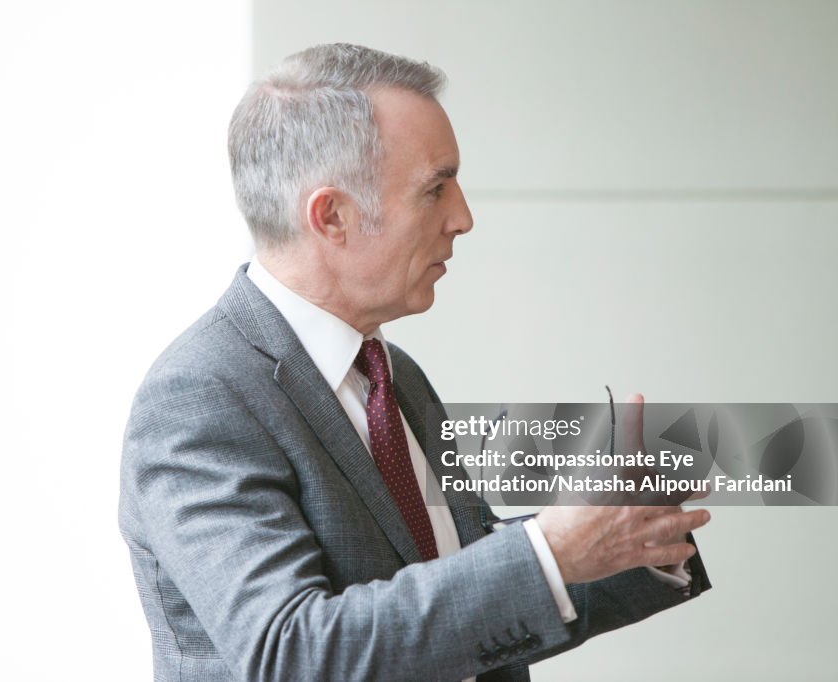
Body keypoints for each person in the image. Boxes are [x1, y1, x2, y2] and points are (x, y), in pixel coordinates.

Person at [119, 43, 711, 682]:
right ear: (333, 216)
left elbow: (461, 608)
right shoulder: (199, 395)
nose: (463, 218)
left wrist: (624, 536)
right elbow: (291, 652)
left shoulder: (393, 374)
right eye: (435, 188)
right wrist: (550, 551)